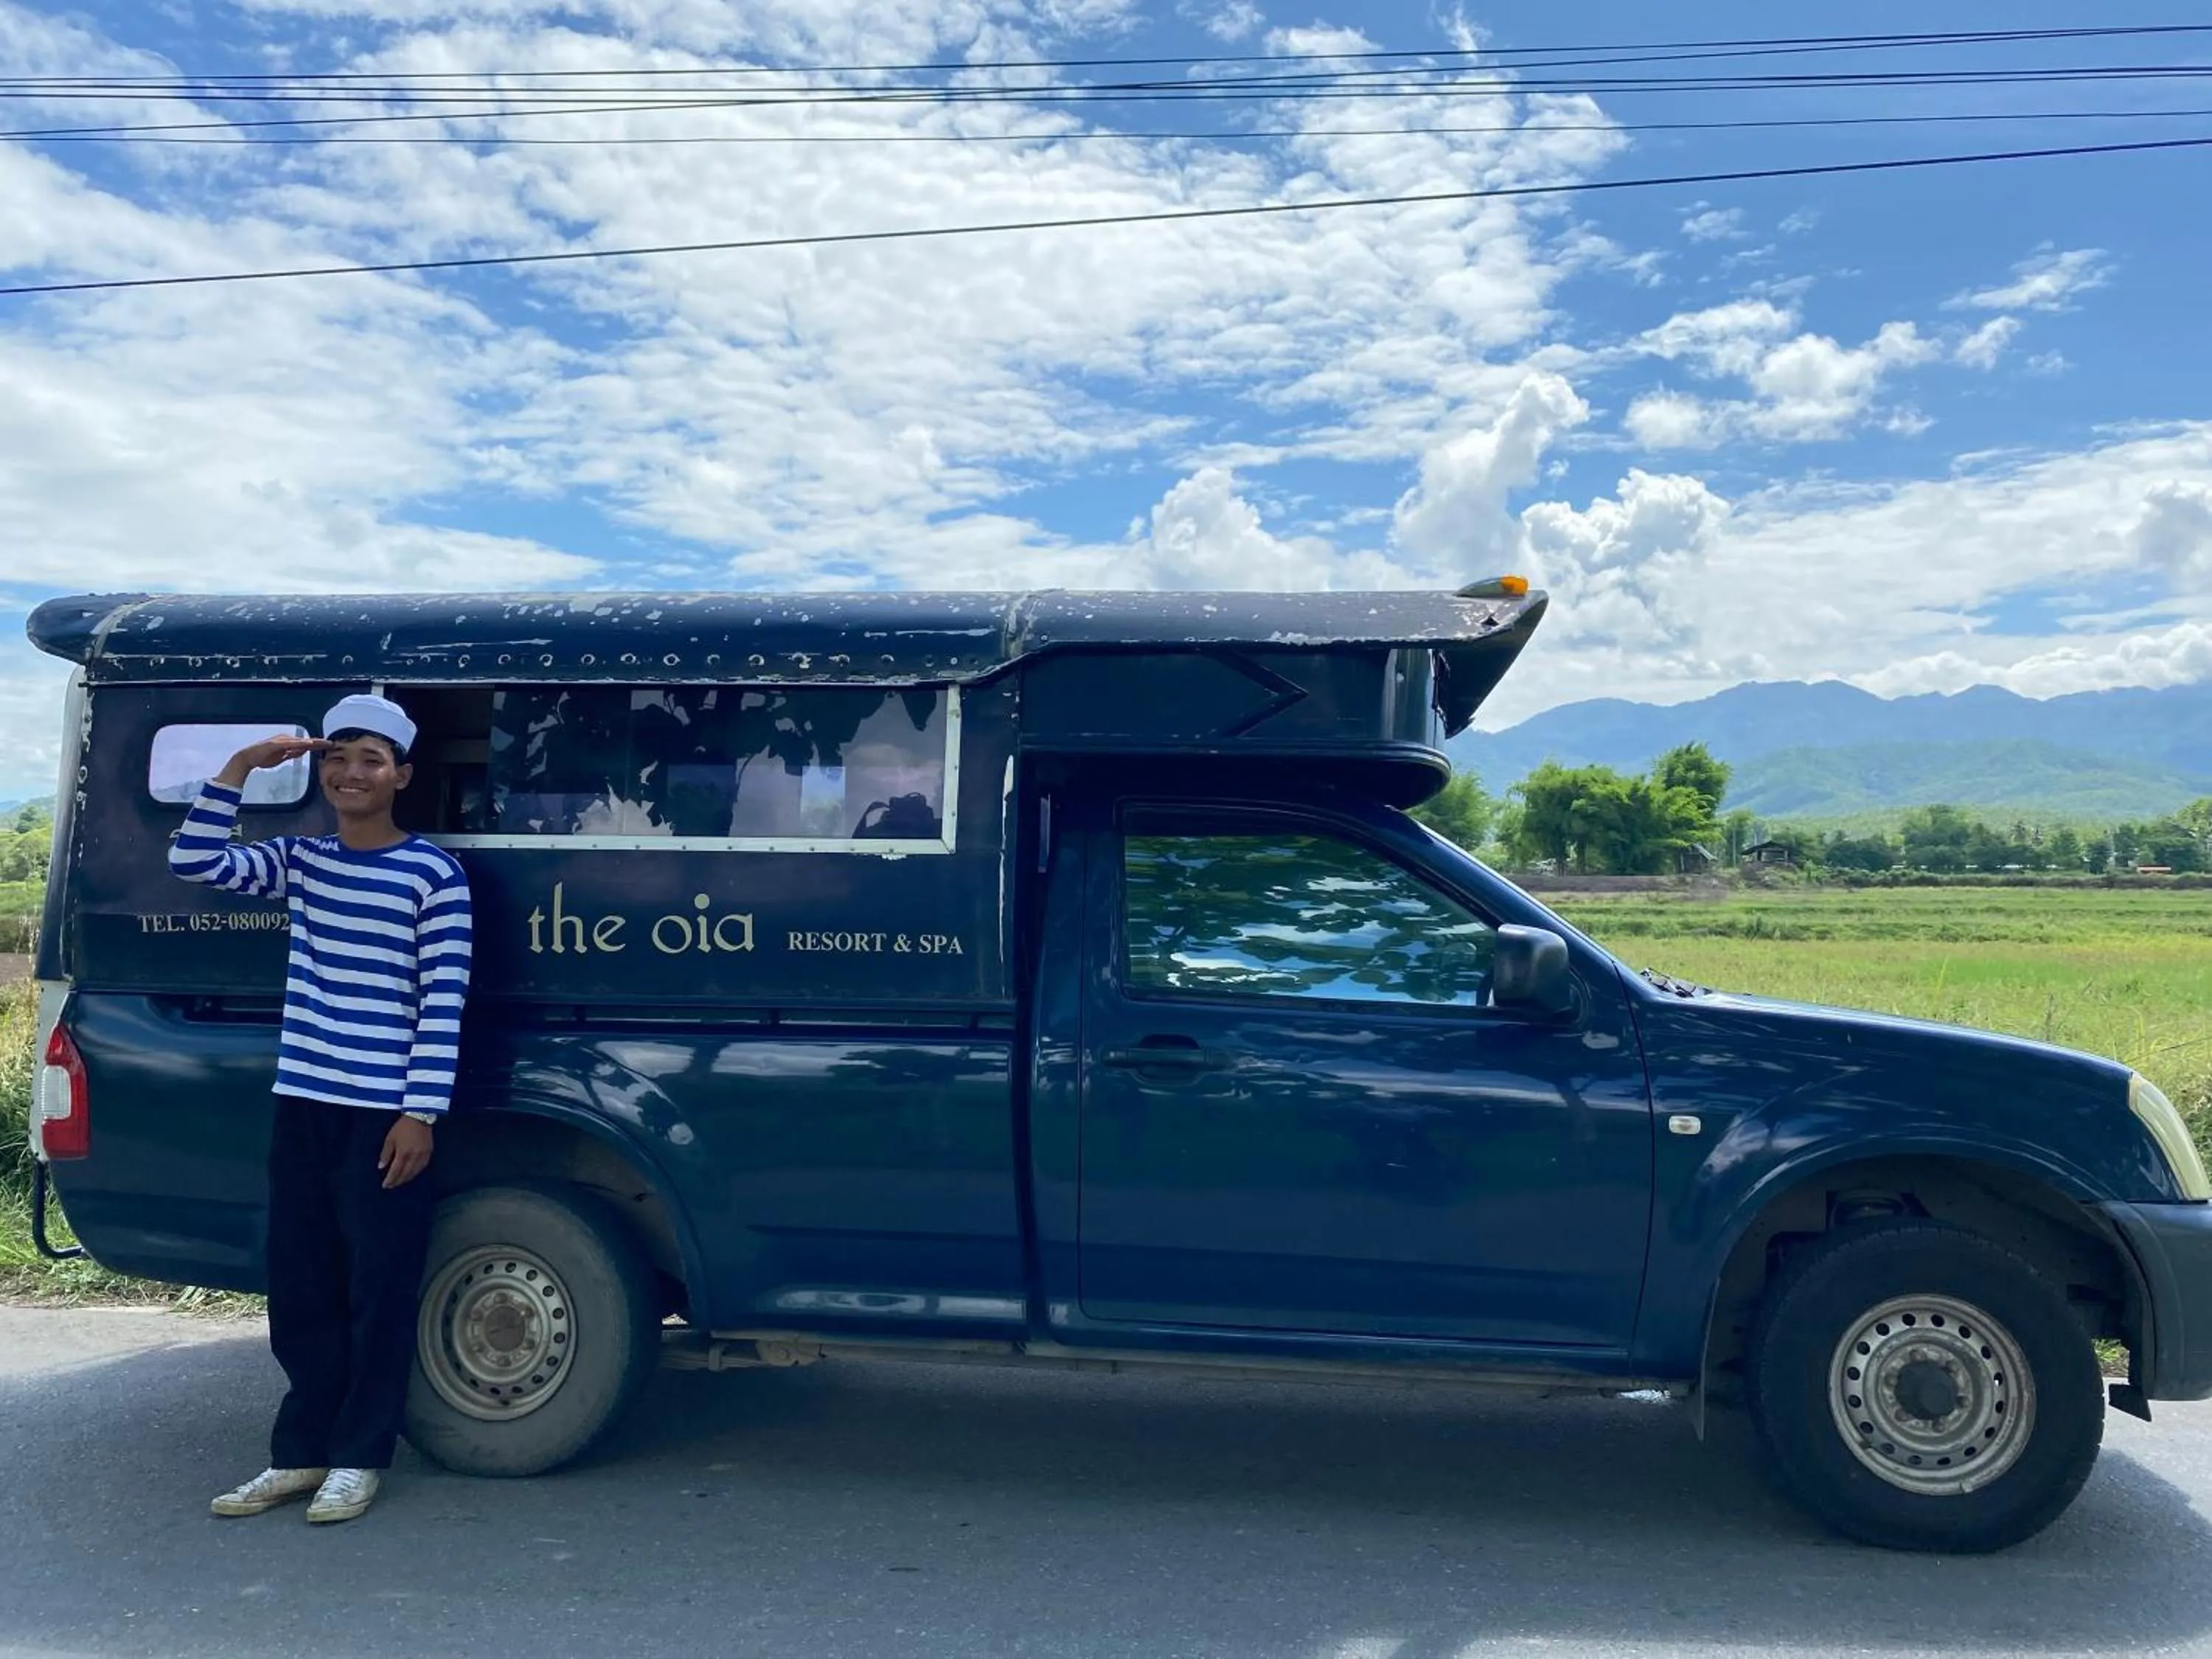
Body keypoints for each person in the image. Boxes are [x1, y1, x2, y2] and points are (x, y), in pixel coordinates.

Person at [170, 694, 472, 1525]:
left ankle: (360, 1457)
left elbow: (443, 1001)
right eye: (337, 757)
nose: (350, 773)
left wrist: (420, 1114)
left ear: (401, 776)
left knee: (379, 1287)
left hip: (385, 1115)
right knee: (301, 1285)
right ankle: (300, 1453)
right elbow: (195, 861)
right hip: (303, 1100)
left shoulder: (433, 875)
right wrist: (241, 767)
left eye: (370, 759)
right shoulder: (301, 860)